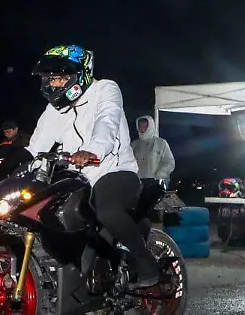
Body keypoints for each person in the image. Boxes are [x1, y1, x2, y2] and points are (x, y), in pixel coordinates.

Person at [27, 45, 163, 289]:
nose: (53, 84)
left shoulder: (105, 89)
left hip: (113, 169)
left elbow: (106, 121)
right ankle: (78, 274)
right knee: (47, 216)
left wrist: (93, 150)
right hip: (77, 178)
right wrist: (16, 165)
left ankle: (145, 262)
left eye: (58, 78)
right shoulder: (54, 110)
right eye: (49, 79)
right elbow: (36, 147)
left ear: (79, 76)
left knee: (107, 212)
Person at [131, 115, 175, 187]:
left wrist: (158, 176)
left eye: (145, 126)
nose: (142, 128)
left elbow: (170, 162)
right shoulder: (133, 145)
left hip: (155, 184)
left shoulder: (161, 143)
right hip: (137, 184)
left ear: (150, 126)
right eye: (140, 126)